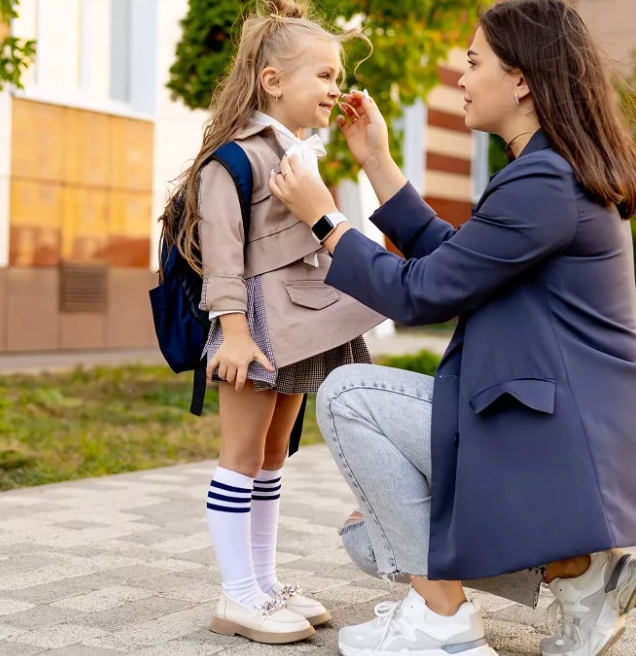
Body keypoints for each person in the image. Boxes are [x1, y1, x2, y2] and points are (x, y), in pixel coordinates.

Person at [267, 1, 636, 655]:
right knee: (369, 535)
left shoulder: (545, 181)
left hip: (556, 448)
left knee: (346, 397)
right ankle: (579, 576)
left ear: (522, 79)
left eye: (475, 61)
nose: (461, 75)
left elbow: (424, 293)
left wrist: (325, 220)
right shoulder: (554, 173)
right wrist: (376, 162)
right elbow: (458, 259)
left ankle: (443, 622)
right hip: (565, 444)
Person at [160, 0, 385, 644]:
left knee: (271, 459)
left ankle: (263, 584)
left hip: (299, 325)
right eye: (325, 75)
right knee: (240, 457)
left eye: (338, 77)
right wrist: (232, 332)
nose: (336, 88)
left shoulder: (299, 153)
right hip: (254, 326)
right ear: (272, 81)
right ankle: (237, 596)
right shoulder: (233, 161)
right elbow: (225, 259)